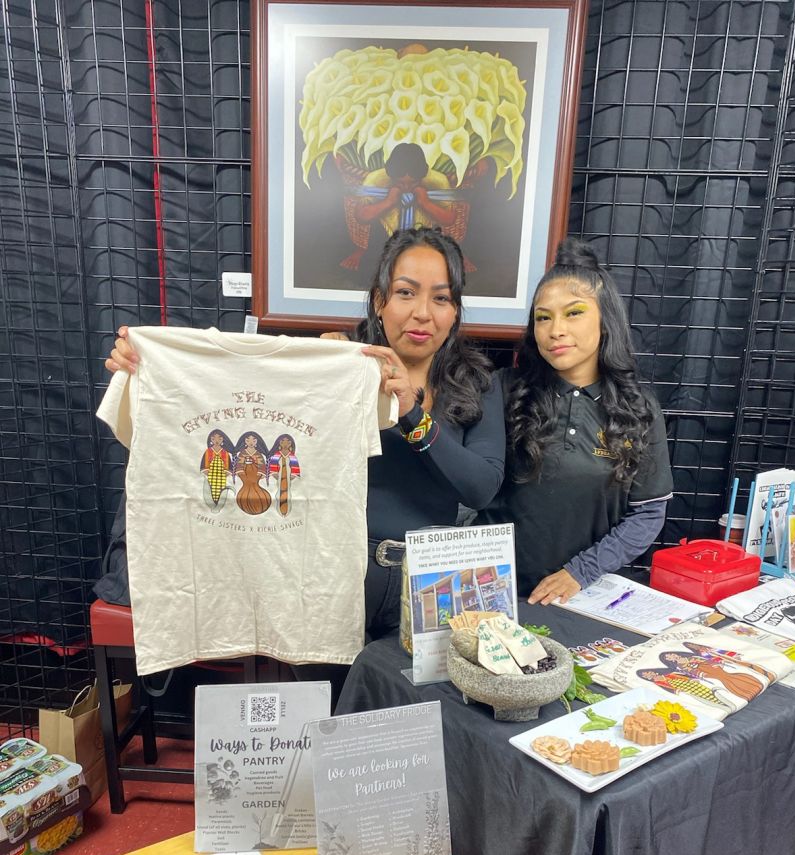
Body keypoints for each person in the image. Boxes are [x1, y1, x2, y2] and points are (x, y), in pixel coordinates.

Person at [104, 225, 505, 639]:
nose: (423, 312)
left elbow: (481, 487)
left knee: (412, 684)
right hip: (332, 575)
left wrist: (410, 414)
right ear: (379, 301)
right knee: (325, 681)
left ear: (455, 311)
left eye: (441, 298)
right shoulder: (339, 362)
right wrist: (151, 364)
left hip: (430, 582)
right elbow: (233, 390)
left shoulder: (478, 382)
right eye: (406, 292)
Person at [478, 238, 673, 604]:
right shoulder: (503, 389)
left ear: (605, 320)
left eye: (573, 313)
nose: (556, 330)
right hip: (494, 592)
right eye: (543, 317)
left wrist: (580, 572)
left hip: (585, 596)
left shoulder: (639, 409)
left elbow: (648, 514)